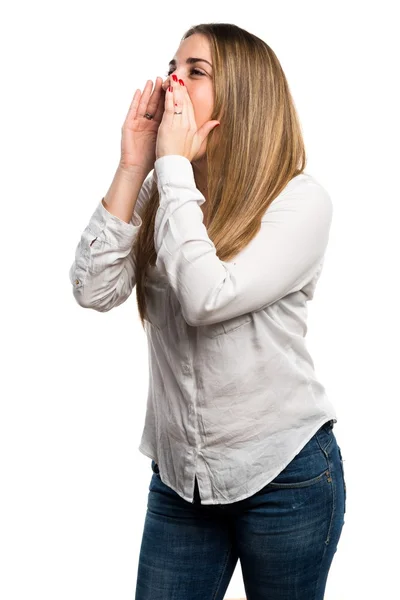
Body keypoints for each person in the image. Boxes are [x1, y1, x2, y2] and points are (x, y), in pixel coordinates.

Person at [69, 22, 346, 600]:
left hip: (285, 475)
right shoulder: (164, 188)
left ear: (243, 94)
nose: (174, 80)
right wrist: (133, 166)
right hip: (181, 482)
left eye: (196, 72)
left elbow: (205, 298)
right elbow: (93, 289)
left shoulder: (300, 201)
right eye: (173, 65)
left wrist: (170, 169)